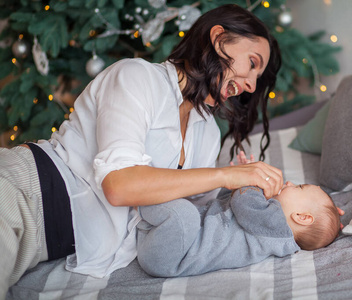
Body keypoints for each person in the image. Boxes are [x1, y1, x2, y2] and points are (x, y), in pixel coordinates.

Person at [0, 4, 285, 297]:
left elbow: (200, 216)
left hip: (45, 242)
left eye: (257, 78)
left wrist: (258, 196)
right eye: (252, 63)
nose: (251, 85)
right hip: (22, 194)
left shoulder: (207, 133)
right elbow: (119, 185)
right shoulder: (136, 76)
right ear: (218, 38)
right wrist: (225, 175)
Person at [137, 182, 341, 277]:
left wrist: (250, 182)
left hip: (170, 256)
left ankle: (137, 197)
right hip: (170, 245)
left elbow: (243, 201)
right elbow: (228, 203)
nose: (289, 183)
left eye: (298, 188)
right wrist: (234, 183)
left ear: (302, 218)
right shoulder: (267, 224)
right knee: (185, 210)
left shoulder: (276, 227)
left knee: (185, 215)